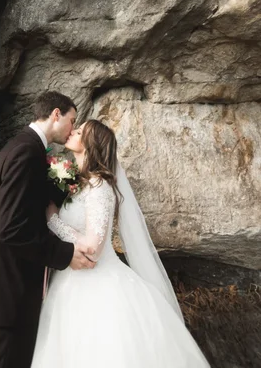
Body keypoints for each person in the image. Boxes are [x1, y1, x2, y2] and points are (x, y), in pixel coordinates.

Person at [31, 119, 211, 368]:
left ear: (91, 145)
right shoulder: (80, 184)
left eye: (81, 131)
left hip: (98, 285)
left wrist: (53, 220)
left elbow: (93, 246)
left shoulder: (100, 187)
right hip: (69, 280)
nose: (73, 131)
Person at [0, 91, 96, 368]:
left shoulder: (25, 148)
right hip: (10, 285)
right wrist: (64, 254)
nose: (73, 128)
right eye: (72, 120)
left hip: (12, 284)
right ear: (56, 114)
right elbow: (11, 228)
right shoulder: (25, 153)